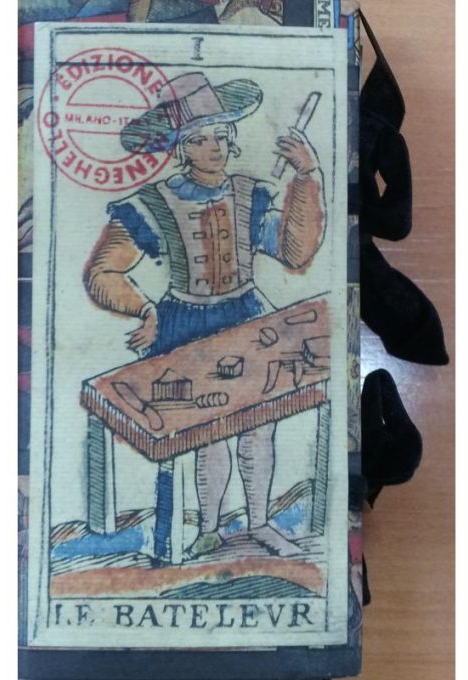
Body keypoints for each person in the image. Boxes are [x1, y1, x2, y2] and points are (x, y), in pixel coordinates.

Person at [84, 72, 326, 557]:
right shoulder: (154, 202)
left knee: (260, 423)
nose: (213, 147)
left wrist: (306, 177)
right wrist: (142, 308)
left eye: (220, 135)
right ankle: (209, 529)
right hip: (186, 326)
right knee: (208, 435)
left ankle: (260, 523)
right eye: (199, 139)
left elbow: (295, 252)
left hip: (248, 318)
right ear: (182, 148)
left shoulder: (249, 193)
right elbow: (101, 272)